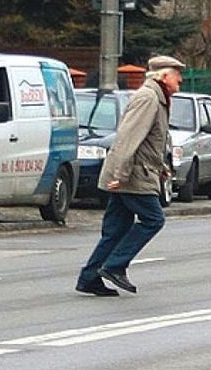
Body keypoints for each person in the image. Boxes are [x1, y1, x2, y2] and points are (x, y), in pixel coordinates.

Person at [75, 55, 185, 296]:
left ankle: (90, 278)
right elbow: (128, 137)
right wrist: (121, 174)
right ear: (163, 76)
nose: (181, 79)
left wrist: (162, 167)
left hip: (136, 171)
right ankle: (115, 266)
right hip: (132, 175)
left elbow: (150, 141)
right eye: (177, 74)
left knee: (117, 228)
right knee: (153, 219)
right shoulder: (148, 98)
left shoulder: (158, 98)